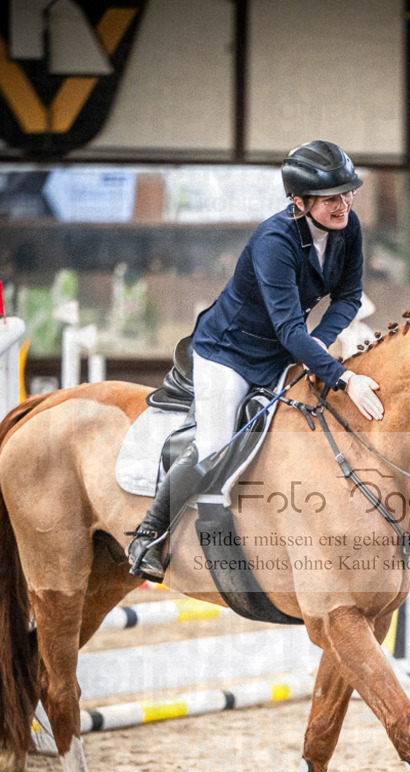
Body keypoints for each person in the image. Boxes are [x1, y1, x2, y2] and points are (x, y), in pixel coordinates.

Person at [127, 141, 384, 582]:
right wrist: (343, 378)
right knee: (214, 444)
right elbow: (288, 328)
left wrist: (318, 345)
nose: (344, 205)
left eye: (349, 194)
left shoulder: (349, 227)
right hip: (229, 353)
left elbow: (349, 297)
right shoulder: (274, 240)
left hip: (285, 349)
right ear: (299, 203)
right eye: (331, 198)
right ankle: (149, 533)